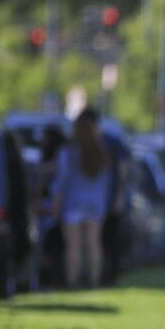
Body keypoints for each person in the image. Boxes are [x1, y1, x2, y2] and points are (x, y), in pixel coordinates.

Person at [50, 108, 113, 289]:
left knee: (73, 247)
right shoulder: (101, 152)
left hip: (73, 202)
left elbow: (61, 181)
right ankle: (94, 282)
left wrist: (55, 203)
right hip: (95, 203)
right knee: (94, 244)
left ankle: (72, 282)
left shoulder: (69, 152)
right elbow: (106, 182)